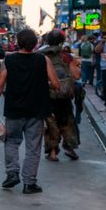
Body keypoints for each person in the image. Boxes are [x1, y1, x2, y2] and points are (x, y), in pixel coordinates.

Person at [0, 28, 60, 194]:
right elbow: (56, 84)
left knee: (11, 142)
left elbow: (0, 84)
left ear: (18, 42)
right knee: (33, 148)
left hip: (14, 109)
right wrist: (43, 84)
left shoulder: (9, 60)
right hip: (36, 110)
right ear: (35, 44)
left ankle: (12, 173)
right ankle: (29, 183)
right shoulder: (43, 60)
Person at [42, 31, 81, 162]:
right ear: (62, 41)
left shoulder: (41, 55)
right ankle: (70, 148)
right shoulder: (66, 56)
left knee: (51, 123)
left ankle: (52, 152)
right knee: (68, 121)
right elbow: (76, 76)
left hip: (47, 95)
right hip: (64, 95)